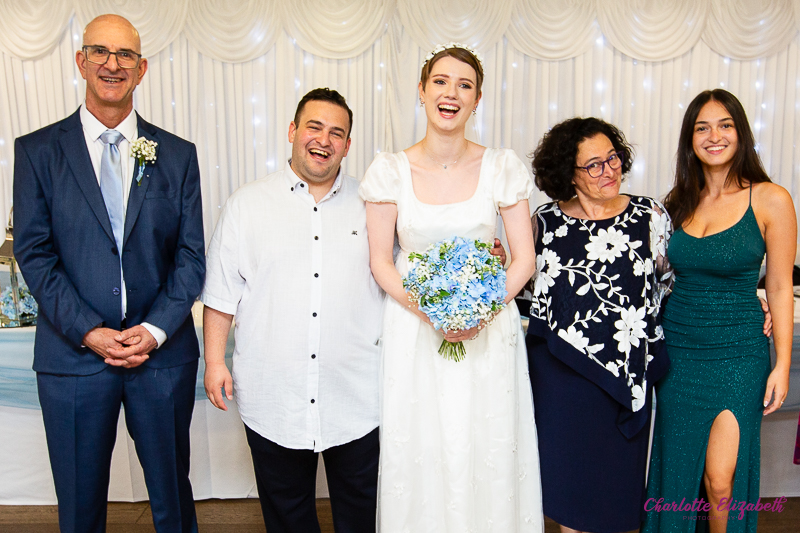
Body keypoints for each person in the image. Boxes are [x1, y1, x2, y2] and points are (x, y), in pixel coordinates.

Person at [13, 14, 204, 533]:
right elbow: (34, 253)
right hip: (72, 359)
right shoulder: (35, 152)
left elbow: (191, 259)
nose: (112, 64)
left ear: (141, 70)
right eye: (100, 51)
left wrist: (154, 330)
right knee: (78, 508)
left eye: (125, 56)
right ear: (81, 61)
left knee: (173, 502)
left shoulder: (179, 156)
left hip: (161, 358)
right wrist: (88, 331)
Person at [361, 43, 543, 532]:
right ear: (422, 91)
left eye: (464, 85)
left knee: (485, 441)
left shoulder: (502, 167)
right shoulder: (389, 170)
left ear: (477, 99)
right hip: (415, 329)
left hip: (489, 329)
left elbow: (524, 258)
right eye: (440, 81)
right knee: (419, 444)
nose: (451, 93)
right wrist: (435, 313)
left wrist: (480, 310)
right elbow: (381, 262)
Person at [201, 88, 383, 533]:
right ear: (292, 131)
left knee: (361, 516)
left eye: (337, 133)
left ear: (348, 145)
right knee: (287, 517)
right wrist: (213, 362)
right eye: (314, 127)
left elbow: (409, 274)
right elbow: (221, 294)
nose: (324, 140)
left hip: (359, 395)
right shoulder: (247, 204)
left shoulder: (376, 204)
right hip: (273, 395)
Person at [643, 89, 795, 532]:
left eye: (725, 125)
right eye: (702, 127)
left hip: (739, 353)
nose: (714, 136)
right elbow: (656, 278)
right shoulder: (675, 202)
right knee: (677, 476)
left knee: (720, 481)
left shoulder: (770, 199)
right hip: (680, 353)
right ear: (690, 139)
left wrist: (782, 363)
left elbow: (781, 285)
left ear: (741, 132)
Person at [525, 117, 672, 533]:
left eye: (612, 159)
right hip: (561, 377)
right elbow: (523, 292)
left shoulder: (650, 214)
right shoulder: (545, 222)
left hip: (627, 375)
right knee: (571, 498)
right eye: (593, 165)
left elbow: (670, 283)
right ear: (567, 173)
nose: (608, 170)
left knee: (615, 498)